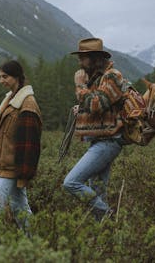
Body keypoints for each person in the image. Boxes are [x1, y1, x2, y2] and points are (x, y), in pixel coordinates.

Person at [63, 37, 131, 221]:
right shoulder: (96, 79)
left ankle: (108, 216)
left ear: (94, 58)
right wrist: (81, 108)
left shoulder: (112, 76)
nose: (79, 62)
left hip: (108, 142)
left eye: (82, 57)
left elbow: (96, 104)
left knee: (71, 182)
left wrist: (79, 85)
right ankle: (106, 235)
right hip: (99, 141)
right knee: (98, 192)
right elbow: (97, 105)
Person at [0, 60, 42, 235]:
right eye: (0, 77)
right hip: (9, 165)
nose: (1, 80)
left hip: (13, 167)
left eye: (5, 76)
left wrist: (24, 174)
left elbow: (30, 143)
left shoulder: (27, 104)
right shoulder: (11, 100)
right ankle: (35, 244)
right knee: (20, 208)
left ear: (16, 77)